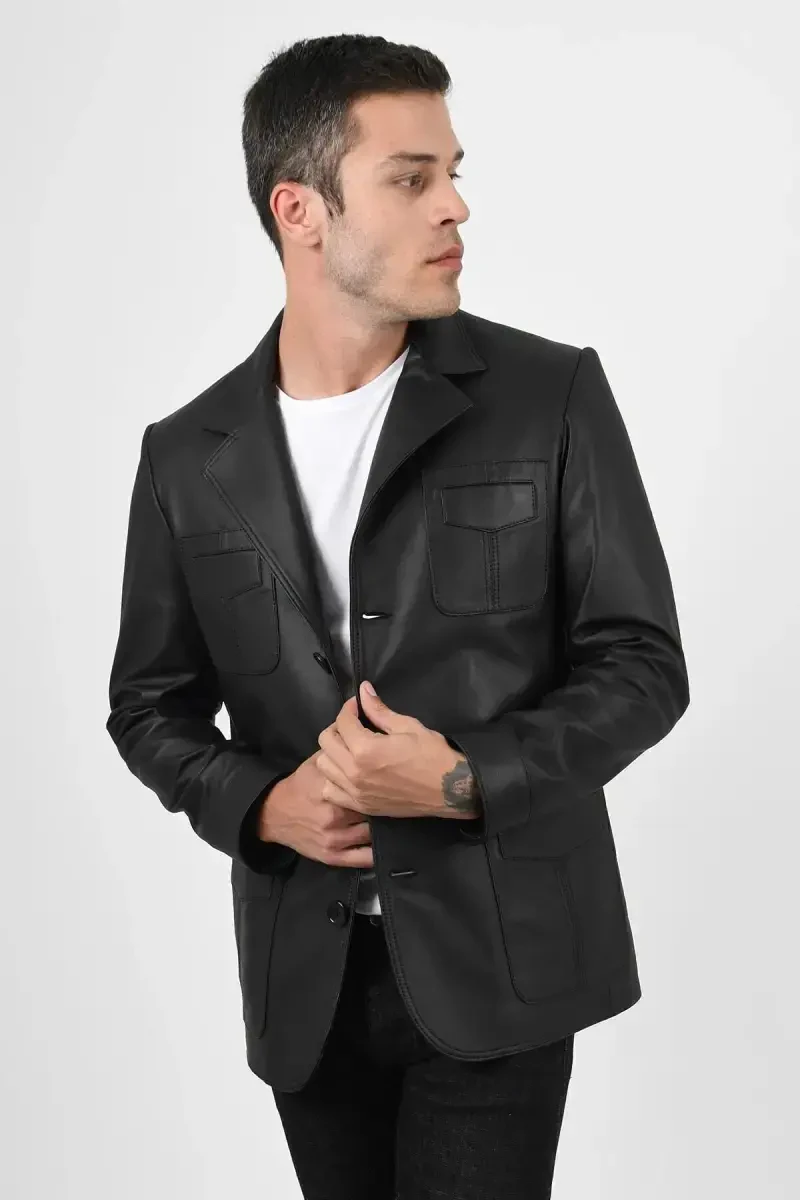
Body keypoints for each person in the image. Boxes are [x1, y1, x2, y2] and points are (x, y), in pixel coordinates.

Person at [106, 32, 690, 1200]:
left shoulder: (548, 395)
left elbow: (639, 665)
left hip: (501, 958)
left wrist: (465, 778)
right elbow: (148, 707)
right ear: (300, 211)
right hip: (306, 985)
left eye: (452, 172)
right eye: (410, 178)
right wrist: (259, 805)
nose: (454, 206)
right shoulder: (186, 457)